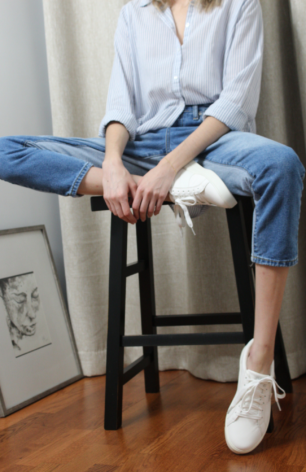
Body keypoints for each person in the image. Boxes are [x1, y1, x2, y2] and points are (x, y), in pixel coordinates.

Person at [0, 0, 305, 454]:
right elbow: (121, 107)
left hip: (215, 141)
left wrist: (169, 168)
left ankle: (258, 362)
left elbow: (237, 102)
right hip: (141, 145)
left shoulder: (239, 4)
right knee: (8, 149)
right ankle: (134, 185)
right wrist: (114, 164)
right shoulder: (134, 12)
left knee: (282, 165)